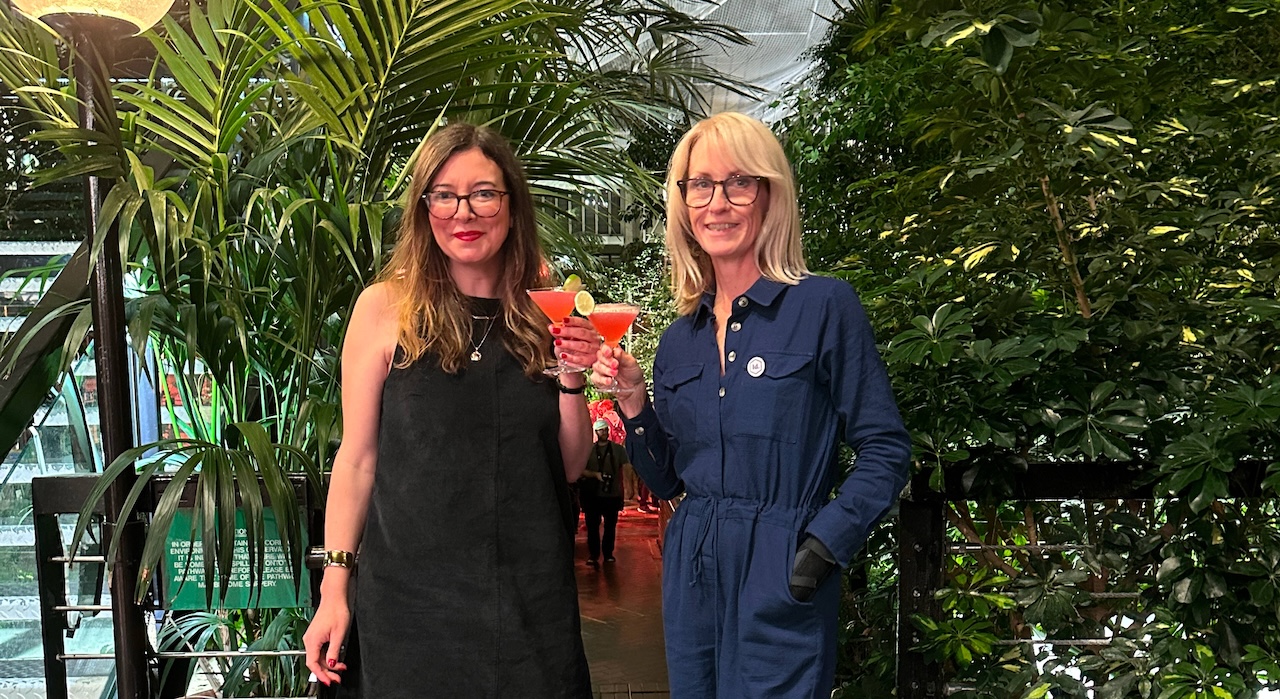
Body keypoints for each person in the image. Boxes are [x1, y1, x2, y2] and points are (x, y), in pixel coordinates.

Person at [591, 112, 912, 698]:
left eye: (739, 182)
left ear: (769, 195)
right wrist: (635, 401)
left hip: (782, 560)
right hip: (692, 566)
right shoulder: (678, 338)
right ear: (684, 205)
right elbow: (666, 481)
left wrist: (822, 545)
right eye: (700, 185)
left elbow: (886, 447)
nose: (718, 202)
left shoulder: (824, 306)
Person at [304, 122, 598, 698]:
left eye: (484, 193)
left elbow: (567, 465)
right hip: (410, 609)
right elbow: (358, 460)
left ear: (512, 205)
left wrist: (572, 377)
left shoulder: (547, 314)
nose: (464, 212)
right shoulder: (385, 308)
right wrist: (334, 589)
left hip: (530, 603)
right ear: (424, 208)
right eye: (444, 194)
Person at [579, 418, 628, 566]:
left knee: (610, 526)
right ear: (596, 432)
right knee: (592, 527)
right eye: (601, 430)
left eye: (606, 430)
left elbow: (626, 468)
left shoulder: (618, 450)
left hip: (612, 494)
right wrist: (595, 475)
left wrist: (627, 489)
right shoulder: (588, 451)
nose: (604, 433)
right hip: (592, 494)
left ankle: (608, 554)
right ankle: (593, 554)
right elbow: (580, 470)